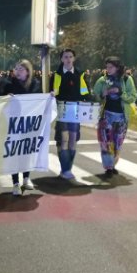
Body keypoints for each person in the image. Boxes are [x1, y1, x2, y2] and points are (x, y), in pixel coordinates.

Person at [92, 56, 136, 178]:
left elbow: (133, 97)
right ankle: (108, 167)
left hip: (121, 117)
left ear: (117, 67)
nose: (108, 69)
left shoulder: (127, 79)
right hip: (105, 116)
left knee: (117, 143)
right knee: (105, 143)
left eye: (111, 67)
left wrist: (121, 92)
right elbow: (94, 96)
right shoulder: (102, 80)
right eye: (107, 66)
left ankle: (113, 164)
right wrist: (102, 94)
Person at [51, 47, 90, 181]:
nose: (68, 59)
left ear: (74, 59)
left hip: (75, 110)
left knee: (73, 139)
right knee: (63, 140)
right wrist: (51, 95)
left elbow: (85, 93)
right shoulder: (56, 75)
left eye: (70, 57)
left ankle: (68, 168)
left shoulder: (80, 74)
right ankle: (65, 169)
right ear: (61, 59)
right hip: (62, 110)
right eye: (65, 57)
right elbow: (52, 92)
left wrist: (93, 103)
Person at [5, 59, 40, 195]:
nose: (18, 71)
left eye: (21, 69)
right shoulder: (9, 84)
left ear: (27, 71)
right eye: (16, 68)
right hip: (14, 124)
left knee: (27, 151)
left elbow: (40, 101)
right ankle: (15, 183)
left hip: (30, 124)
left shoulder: (35, 84)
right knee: (15, 152)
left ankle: (26, 178)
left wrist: (49, 97)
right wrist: (6, 98)